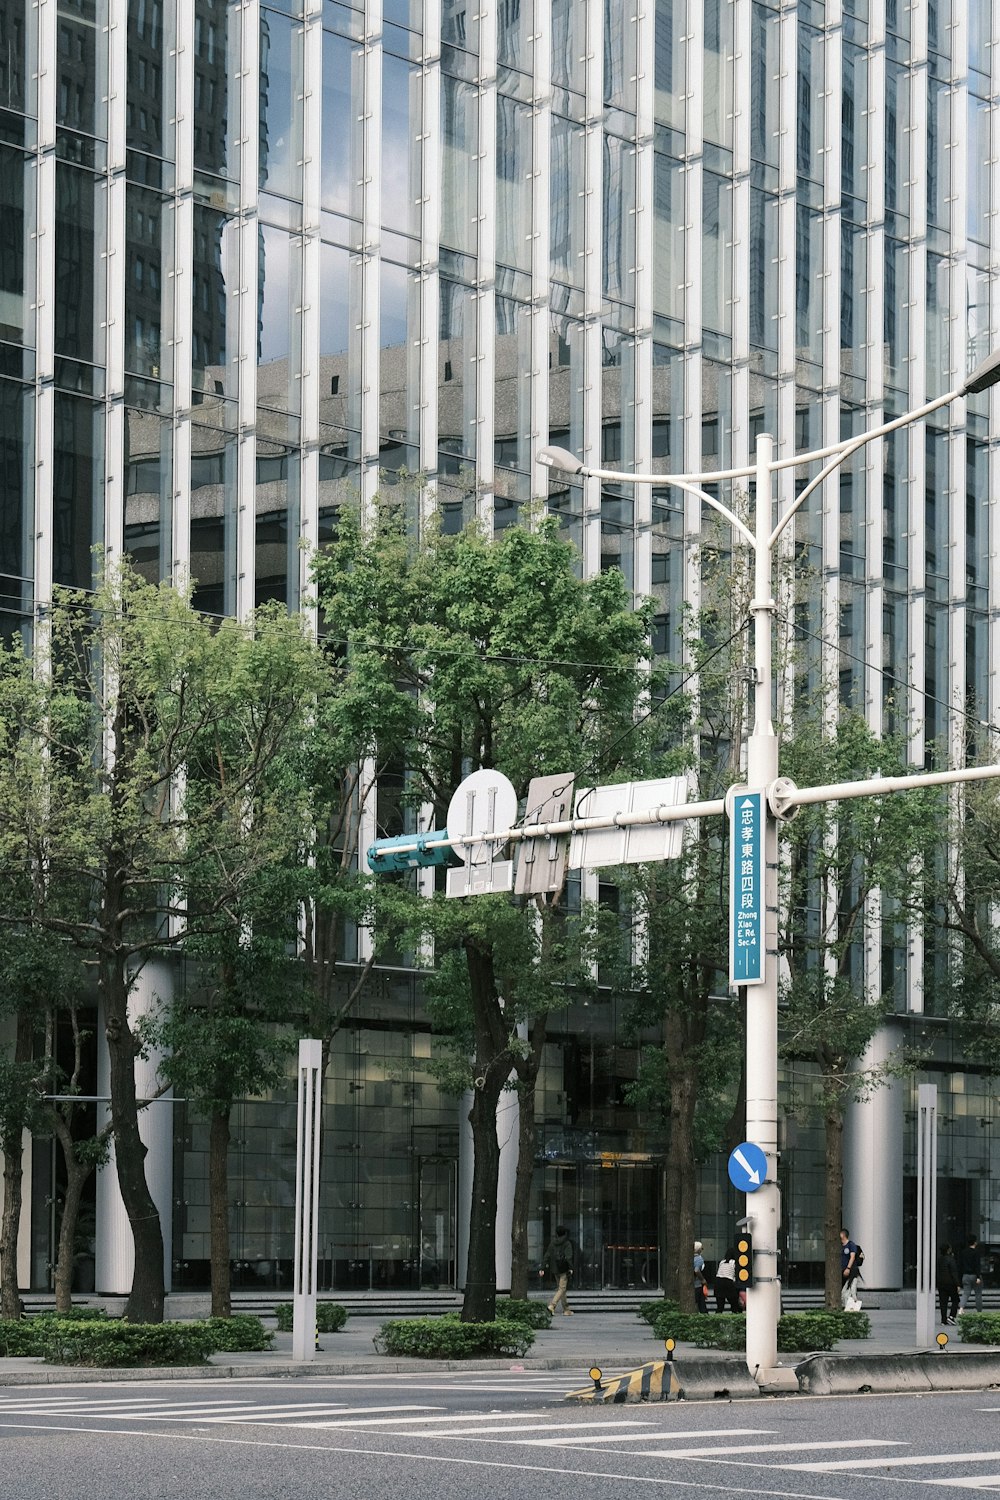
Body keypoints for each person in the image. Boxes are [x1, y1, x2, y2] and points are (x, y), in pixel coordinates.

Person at [539, 1225, 575, 1315]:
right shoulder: (567, 1243)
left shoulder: (552, 1243)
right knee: (562, 1288)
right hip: (564, 1269)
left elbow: (547, 1255)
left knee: (562, 1289)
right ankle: (552, 1305)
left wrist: (542, 1267)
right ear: (565, 1233)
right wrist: (571, 1268)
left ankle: (566, 1309)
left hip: (555, 1269)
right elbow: (569, 1257)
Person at [959, 1235, 984, 1313]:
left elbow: (960, 1265)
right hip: (974, 1275)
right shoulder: (976, 1252)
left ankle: (961, 1308)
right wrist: (978, 1277)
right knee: (978, 1294)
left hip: (965, 1275)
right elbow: (977, 1265)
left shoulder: (963, 1252)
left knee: (966, 1293)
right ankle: (979, 1311)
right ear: (975, 1242)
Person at [937, 1242, 960, 1326]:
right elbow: (954, 1272)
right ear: (948, 1250)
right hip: (950, 1283)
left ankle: (943, 1320)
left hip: (941, 1283)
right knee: (956, 1300)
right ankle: (951, 1316)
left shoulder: (939, 1259)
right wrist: (957, 1284)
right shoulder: (951, 1259)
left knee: (943, 1302)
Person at [840, 1227, 862, 1308]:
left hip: (851, 1271)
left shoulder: (851, 1245)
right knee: (844, 1291)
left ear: (843, 1235)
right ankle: (847, 1307)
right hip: (842, 1271)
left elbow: (852, 1257)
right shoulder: (840, 1246)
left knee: (850, 1290)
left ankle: (852, 1307)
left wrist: (848, 1268)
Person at [714, 1248, 740, 1313]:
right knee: (734, 1304)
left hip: (718, 1282)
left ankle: (717, 1319)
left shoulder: (722, 1262)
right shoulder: (735, 1263)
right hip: (728, 1282)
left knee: (720, 1306)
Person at [693, 1241, 709, 1313]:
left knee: (700, 1302)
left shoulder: (690, 1258)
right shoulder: (699, 1259)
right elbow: (697, 1270)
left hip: (692, 1284)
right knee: (701, 1303)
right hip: (697, 1284)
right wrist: (703, 1280)